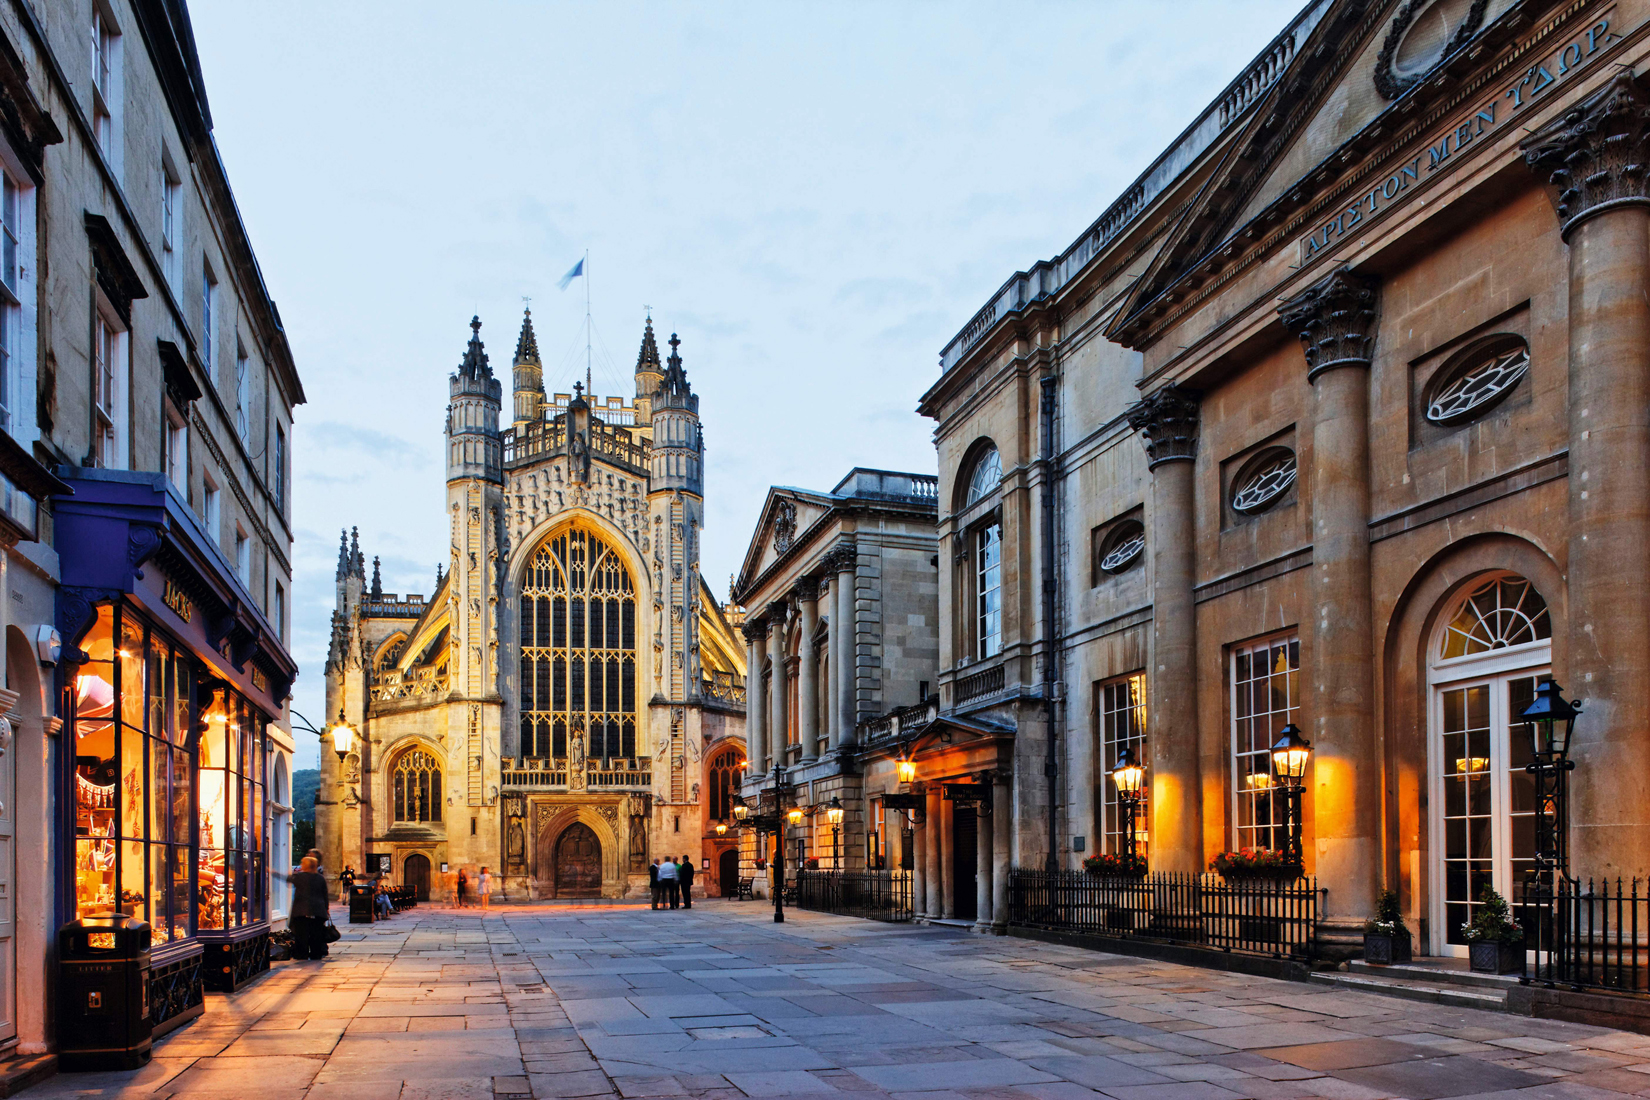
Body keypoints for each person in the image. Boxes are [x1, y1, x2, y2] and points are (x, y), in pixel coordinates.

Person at [283, 856, 330, 961]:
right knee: (316, 935)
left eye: (302, 863)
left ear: (306, 865)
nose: (301, 864)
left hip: (302, 911)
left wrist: (272, 871)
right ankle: (316, 954)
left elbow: (287, 879)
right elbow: (325, 895)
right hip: (318, 911)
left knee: (301, 935)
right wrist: (326, 909)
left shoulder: (300, 877)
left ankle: (302, 954)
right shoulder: (320, 878)